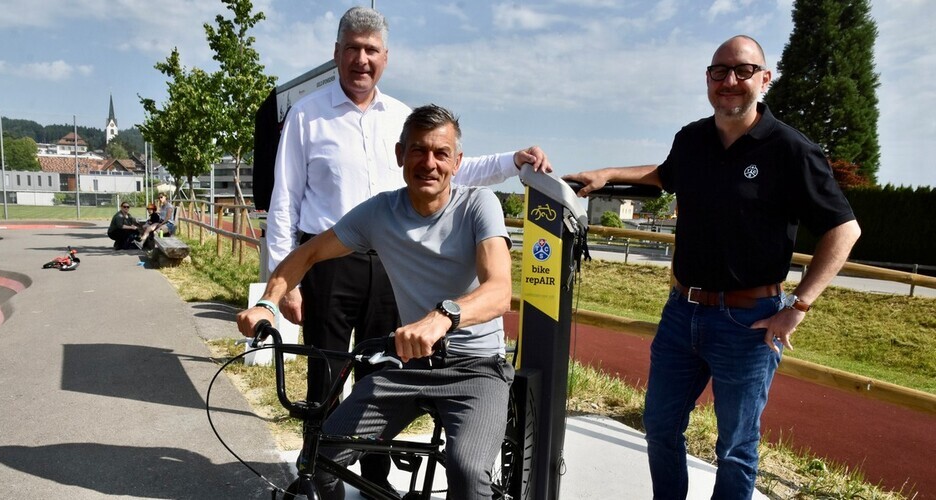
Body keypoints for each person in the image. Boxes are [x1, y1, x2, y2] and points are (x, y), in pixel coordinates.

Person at [264, 5, 550, 488]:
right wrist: (274, 295)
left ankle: (376, 485)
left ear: (385, 58)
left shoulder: (403, 118)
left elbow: (456, 172)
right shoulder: (306, 115)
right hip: (340, 259)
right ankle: (336, 485)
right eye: (352, 49)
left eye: (370, 50)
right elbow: (285, 201)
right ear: (336, 54)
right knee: (326, 399)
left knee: (464, 463)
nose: (361, 59)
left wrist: (512, 160)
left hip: (408, 289)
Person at [564, 35, 861, 499]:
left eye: (743, 71)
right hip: (683, 313)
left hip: (749, 322)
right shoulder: (693, 138)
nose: (731, 81)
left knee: (736, 447)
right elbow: (666, 173)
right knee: (660, 426)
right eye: (720, 71)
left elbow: (844, 230)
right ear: (708, 79)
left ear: (765, 79)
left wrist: (798, 305)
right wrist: (608, 174)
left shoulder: (790, 150)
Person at [241, 104, 514, 499]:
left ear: (457, 162)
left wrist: (444, 316)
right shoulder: (380, 212)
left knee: (468, 472)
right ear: (400, 154)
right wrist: (267, 302)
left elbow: (499, 290)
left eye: (441, 154)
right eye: (418, 150)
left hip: (476, 369)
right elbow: (309, 253)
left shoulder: (478, 204)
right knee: (319, 458)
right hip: (410, 368)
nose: (429, 163)